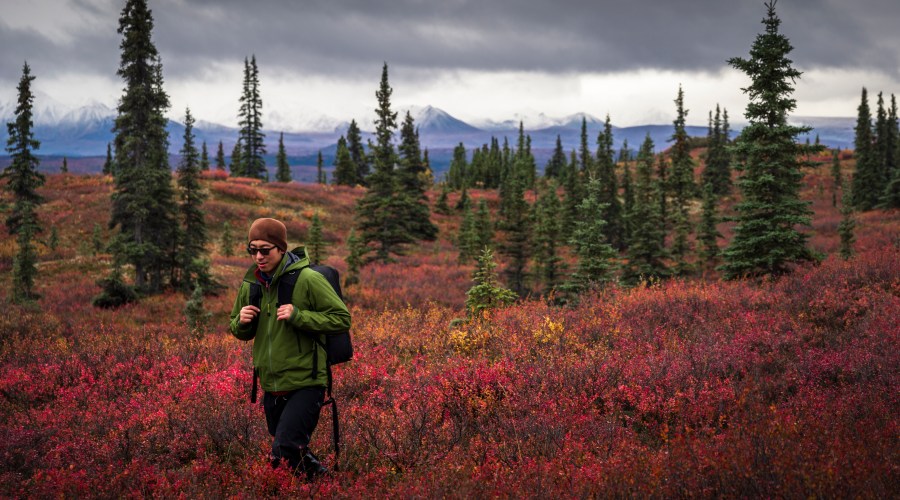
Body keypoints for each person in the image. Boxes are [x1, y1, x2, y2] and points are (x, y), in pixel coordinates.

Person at [229, 217, 351, 479]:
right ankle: (325, 483)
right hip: (271, 385)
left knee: (283, 449)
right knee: (290, 453)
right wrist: (241, 322)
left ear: (281, 248)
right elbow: (237, 329)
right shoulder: (251, 284)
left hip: (307, 382)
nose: (258, 256)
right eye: (253, 250)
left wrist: (299, 316)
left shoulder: (307, 279)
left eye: (265, 249)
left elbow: (342, 319)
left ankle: (318, 484)